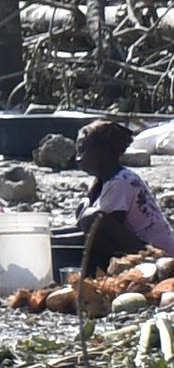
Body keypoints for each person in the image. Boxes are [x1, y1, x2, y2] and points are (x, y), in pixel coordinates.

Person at [74, 118, 174, 280]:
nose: (78, 158)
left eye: (83, 150)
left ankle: (94, 276)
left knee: (92, 219)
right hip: (138, 245)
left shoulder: (121, 182)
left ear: (104, 151)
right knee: (86, 214)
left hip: (158, 255)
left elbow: (97, 230)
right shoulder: (102, 182)